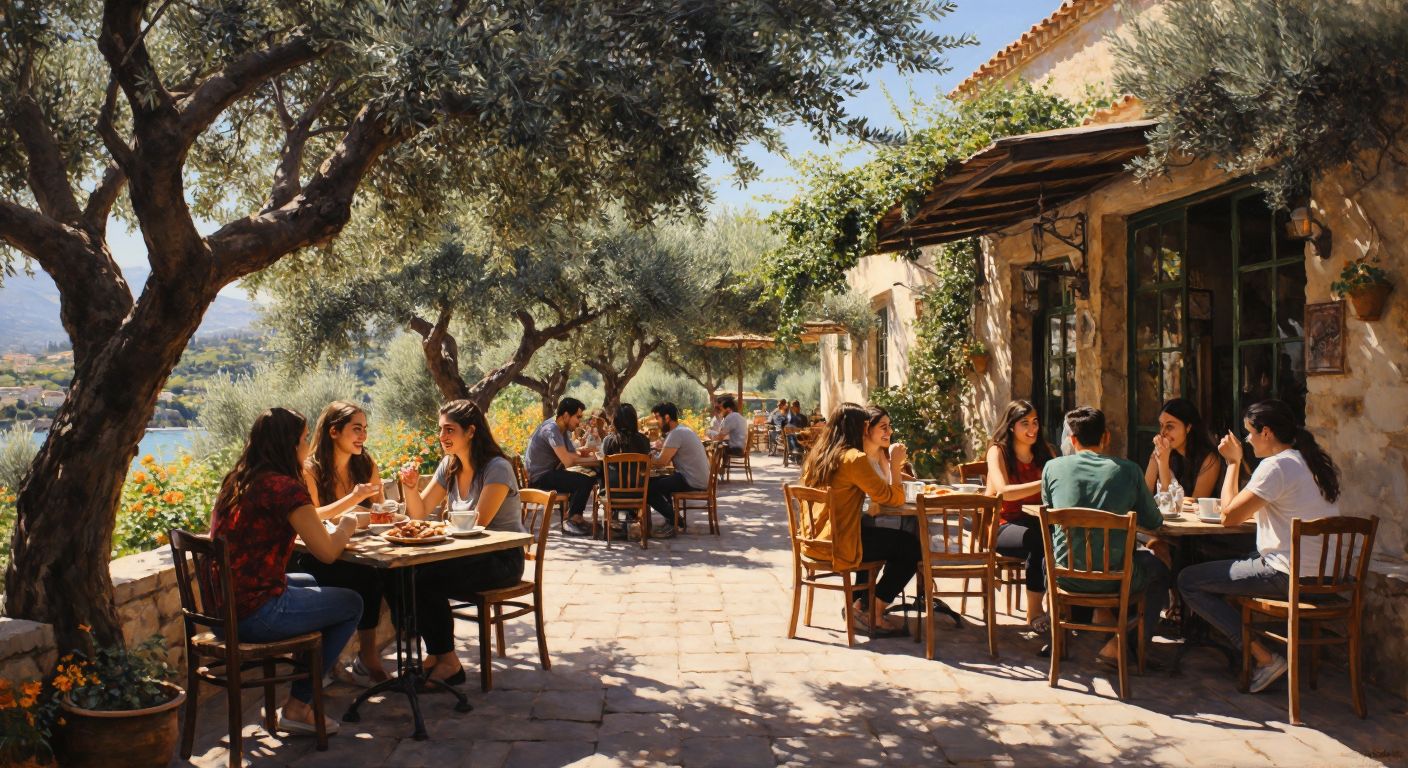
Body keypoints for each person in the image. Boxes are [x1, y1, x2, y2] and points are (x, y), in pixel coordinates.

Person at [209, 407, 362, 736]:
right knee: (351, 602)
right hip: (254, 615)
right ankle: (298, 705)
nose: (307, 446)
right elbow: (326, 552)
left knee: (308, 581)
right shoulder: (284, 489)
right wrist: (349, 523)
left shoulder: (238, 481)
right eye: (305, 439)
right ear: (289, 445)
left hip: (223, 612)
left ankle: (304, 676)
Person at [1177, 399, 1342, 694]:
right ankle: (1246, 645)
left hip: (1288, 575)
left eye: (1249, 433)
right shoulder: (1310, 460)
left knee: (1189, 580)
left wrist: (1232, 463)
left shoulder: (1276, 466)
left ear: (1266, 432)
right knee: (1232, 559)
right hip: (1328, 576)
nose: (1247, 440)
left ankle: (1263, 657)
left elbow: (1228, 517)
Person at [398, 400, 528, 685]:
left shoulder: (497, 468)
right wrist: (410, 488)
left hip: (501, 559)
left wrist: (439, 530)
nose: (443, 437)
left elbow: (479, 522)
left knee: (426, 579)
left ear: (470, 431)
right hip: (466, 556)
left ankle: (449, 662)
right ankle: (438, 654)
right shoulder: (449, 466)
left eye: (449, 430)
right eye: (440, 430)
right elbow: (419, 512)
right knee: (406, 575)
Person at [1041, 406, 1168, 666]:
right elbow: (1154, 521)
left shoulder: (1051, 468)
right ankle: (1124, 645)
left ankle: (1061, 638)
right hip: (1116, 580)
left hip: (1065, 577)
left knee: (1048, 558)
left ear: (1072, 440)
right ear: (1106, 437)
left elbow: (1051, 511)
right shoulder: (1128, 470)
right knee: (1158, 568)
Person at [289, 401, 390, 687]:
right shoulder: (310, 469)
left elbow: (381, 512)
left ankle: (368, 657)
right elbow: (311, 516)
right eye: (356, 429)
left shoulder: (365, 464)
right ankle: (358, 660)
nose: (363, 437)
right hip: (315, 554)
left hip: (357, 549)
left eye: (365, 430)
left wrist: (368, 511)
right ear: (334, 431)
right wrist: (353, 501)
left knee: (393, 576)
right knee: (365, 579)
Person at [799, 402, 919, 635]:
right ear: (858, 428)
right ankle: (872, 609)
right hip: (840, 545)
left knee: (873, 532)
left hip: (814, 542)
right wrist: (895, 466)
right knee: (911, 546)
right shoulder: (853, 458)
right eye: (866, 426)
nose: (868, 431)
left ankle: (859, 604)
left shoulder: (819, 455)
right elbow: (891, 498)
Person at [984, 400, 1057, 632]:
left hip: (1038, 521)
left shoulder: (1047, 452)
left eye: (1035, 422)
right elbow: (1005, 493)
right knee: (1039, 540)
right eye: (1025, 423)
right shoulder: (998, 451)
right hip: (1004, 524)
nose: (1032, 429)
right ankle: (1035, 611)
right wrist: (1043, 482)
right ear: (1012, 426)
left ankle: (1066, 609)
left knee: (1064, 538)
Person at [524, 397, 598, 536]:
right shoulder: (551, 429)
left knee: (589, 475)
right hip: (540, 478)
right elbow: (567, 461)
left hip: (550, 473)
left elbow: (572, 454)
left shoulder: (563, 430)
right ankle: (573, 520)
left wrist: (586, 454)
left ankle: (573, 517)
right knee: (584, 480)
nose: (579, 422)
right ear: (565, 415)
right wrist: (593, 460)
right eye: (578, 417)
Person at [648, 401, 709, 537]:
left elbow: (662, 462)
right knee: (658, 483)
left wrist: (648, 456)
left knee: (648, 489)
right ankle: (672, 519)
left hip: (691, 480)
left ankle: (676, 521)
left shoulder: (676, 433)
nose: (657, 422)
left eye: (658, 418)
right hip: (696, 477)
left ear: (667, 418)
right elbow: (666, 456)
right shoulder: (682, 430)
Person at [1144, 398, 1221, 499]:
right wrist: (1159, 460)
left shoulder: (1209, 459)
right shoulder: (1160, 452)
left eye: (1170, 427)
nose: (1163, 432)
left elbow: (1195, 503)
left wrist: (1163, 464)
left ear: (1188, 428)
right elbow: (1145, 495)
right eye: (1161, 426)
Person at [599, 403, 657, 538]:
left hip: (612, 494)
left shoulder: (609, 441)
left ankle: (613, 521)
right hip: (638, 494)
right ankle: (639, 524)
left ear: (616, 421)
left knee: (602, 476)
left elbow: (601, 462)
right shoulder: (643, 440)